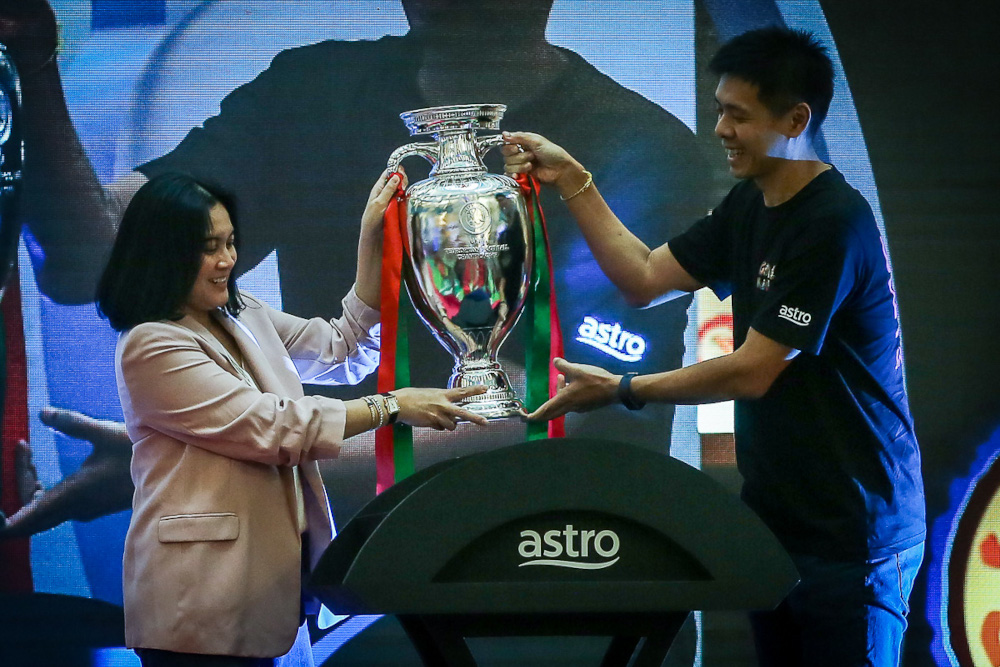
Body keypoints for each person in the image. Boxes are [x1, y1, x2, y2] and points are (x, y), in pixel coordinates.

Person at [0, 0, 712, 538]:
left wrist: (203, 467)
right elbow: (92, 261)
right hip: (354, 576)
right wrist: (34, 62)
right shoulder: (309, 94)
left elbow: (543, 404)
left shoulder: (641, 150)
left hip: (569, 574)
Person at [502, 27, 925, 667]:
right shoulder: (750, 203)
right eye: (720, 109)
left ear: (796, 120)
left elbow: (753, 372)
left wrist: (623, 388)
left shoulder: (832, 223)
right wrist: (572, 178)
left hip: (854, 532)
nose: (721, 129)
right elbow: (644, 278)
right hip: (781, 519)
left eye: (738, 115)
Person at [97, 172, 487, 666]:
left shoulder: (242, 313)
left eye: (230, 243)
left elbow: (343, 347)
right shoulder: (151, 344)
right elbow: (275, 428)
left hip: (275, 595)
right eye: (208, 247)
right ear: (164, 254)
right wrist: (390, 406)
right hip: (199, 606)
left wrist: (371, 237)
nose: (227, 260)